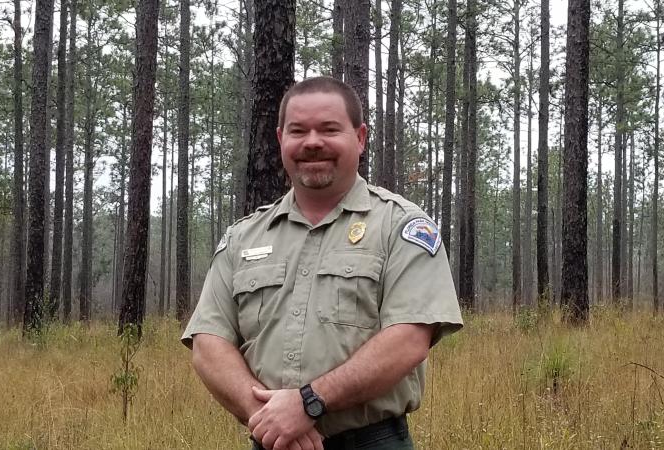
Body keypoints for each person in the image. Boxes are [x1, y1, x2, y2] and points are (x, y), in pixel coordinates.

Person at [181, 76, 463, 450]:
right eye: (299, 131)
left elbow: (409, 340)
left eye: (329, 129)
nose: (313, 142)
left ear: (359, 138)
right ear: (281, 139)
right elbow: (208, 342)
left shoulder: (401, 226)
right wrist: (273, 420)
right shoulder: (243, 237)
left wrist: (309, 403)